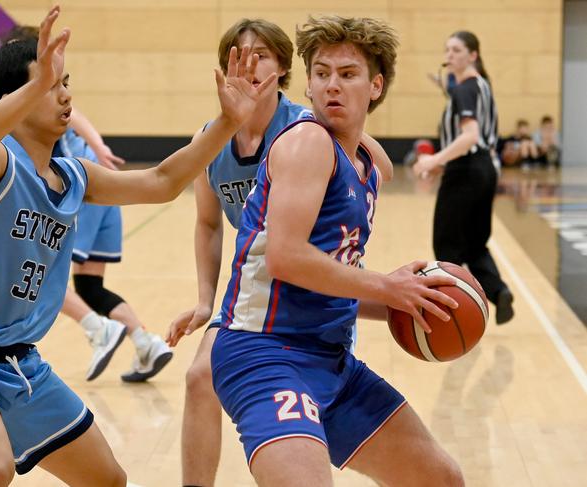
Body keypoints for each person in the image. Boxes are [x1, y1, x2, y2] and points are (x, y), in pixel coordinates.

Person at [0, 6, 274, 485]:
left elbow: (161, 181)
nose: (66, 94)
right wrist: (36, 84)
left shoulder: (73, 175)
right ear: (16, 98)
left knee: (108, 480)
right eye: (53, 84)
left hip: (22, 361)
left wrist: (225, 122)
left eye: (65, 81)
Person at [211, 15, 464, 487]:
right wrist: (387, 286)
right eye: (322, 73)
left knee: (441, 479)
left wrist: (406, 299)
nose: (332, 85)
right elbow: (285, 257)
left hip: (331, 359)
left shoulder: (366, 163)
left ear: (376, 85)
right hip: (264, 353)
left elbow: (333, 279)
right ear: (307, 84)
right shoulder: (309, 142)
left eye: (348, 75)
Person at [165, 18, 394, 486]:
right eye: (239, 55)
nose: (250, 65)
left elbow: (376, 170)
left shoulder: (307, 128)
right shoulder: (211, 140)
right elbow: (209, 224)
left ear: (286, 69)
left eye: (262, 55)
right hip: (260, 294)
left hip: (322, 284)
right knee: (198, 378)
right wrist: (206, 300)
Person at [2, 24, 172, 383]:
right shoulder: (38, 98)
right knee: (89, 286)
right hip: (98, 184)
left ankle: (97, 327)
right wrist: (99, 147)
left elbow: (75, 114)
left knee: (38, 272)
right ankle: (146, 342)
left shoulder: (40, 98)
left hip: (80, 190)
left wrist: (97, 146)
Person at [413, 30, 514, 325]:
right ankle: (499, 291)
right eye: (447, 50)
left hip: (466, 171)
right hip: (486, 170)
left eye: (457, 50)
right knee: (475, 244)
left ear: (473, 55)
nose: (450, 55)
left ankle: (451, 314)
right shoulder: (482, 86)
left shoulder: (464, 89)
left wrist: (434, 159)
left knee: (446, 246)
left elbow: (469, 137)